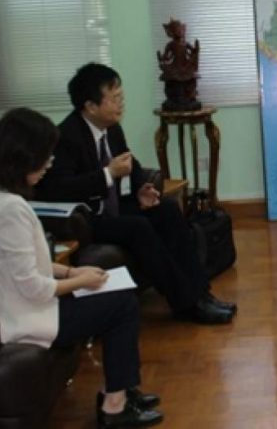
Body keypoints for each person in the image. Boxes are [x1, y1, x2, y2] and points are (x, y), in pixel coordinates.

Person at [0, 108, 163, 428]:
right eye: (44, 157)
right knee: (122, 305)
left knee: (119, 297)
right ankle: (115, 406)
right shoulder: (9, 210)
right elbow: (34, 287)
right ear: (22, 157)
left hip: (18, 305)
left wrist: (72, 272)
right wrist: (82, 282)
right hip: (23, 317)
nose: (49, 164)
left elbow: (25, 264)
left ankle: (123, 390)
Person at [35, 63, 236, 325]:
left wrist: (142, 188)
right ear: (91, 106)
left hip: (114, 208)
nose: (121, 103)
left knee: (167, 210)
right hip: (88, 219)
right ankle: (187, 303)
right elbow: (60, 188)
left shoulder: (111, 128)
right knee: (138, 227)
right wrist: (108, 174)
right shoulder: (66, 137)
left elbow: (132, 164)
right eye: (114, 98)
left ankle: (201, 293)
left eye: (121, 96)